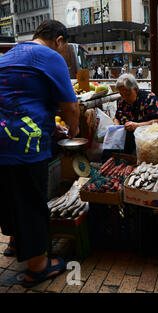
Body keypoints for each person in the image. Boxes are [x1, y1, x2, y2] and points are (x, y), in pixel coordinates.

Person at [0, 20, 80, 287]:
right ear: (58, 40)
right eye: (64, 47)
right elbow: (71, 107)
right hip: (26, 142)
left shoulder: (10, 53)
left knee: (11, 196)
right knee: (33, 201)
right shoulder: (50, 56)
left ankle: (14, 243)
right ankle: (37, 267)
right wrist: (73, 129)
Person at [111, 74, 158, 155]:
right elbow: (116, 117)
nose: (124, 98)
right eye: (121, 95)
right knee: (108, 152)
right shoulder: (121, 101)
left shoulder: (149, 98)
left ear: (135, 90)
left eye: (127, 94)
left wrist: (136, 125)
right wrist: (116, 125)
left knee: (135, 155)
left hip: (144, 139)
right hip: (125, 138)